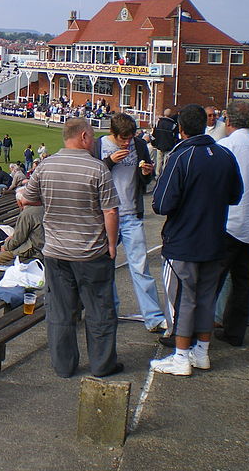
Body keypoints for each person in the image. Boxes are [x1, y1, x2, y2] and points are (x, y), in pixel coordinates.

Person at [24, 118, 122, 378]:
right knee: (99, 309)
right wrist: (112, 244)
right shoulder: (97, 169)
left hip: (56, 252)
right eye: (91, 136)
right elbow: (110, 211)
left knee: (60, 311)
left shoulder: (45, 166)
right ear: (84, 137)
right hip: (90, 252)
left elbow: (28, 197)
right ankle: (102, 365)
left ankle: (64, 366)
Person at [149, 104, 242, 376]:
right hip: (215, 238)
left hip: (184, 242)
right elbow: (235, 195)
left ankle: (180, 357)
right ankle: (201, 352)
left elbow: (162, 204)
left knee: (183, 301)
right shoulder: (224, 154)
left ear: (181, 129)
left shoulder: (182, 156)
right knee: (205, 299)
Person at [94, 112, 166, 333]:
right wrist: (109, 162)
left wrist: (147, 173)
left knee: (141, 266)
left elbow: (144, 181)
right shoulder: (99, 146)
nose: (127, 142)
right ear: (112, 133)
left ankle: (153, 317)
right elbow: (91, 177)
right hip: (106, 215)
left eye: (130, 138)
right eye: (122, 138)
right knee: (106, 267)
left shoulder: (139, 146)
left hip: (131, 213)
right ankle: (110, 312)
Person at [214, 102, 249, 347]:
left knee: (211, 281)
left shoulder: (225, 146)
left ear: (229, 121)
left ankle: (196, 333)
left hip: (229, 223)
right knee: (242, 280)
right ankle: (234, 332)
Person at [0, 187, 44, 266]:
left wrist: (5, 246)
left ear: (20, 202)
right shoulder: (42, 207)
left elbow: (17, 240)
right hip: (44, 246)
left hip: (36, 251)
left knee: (0, 257)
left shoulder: (27, 214)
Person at [151, 108, 179, 178]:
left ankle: (157, 175)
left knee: (159, 160)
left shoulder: (158, 122)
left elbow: (154, 134)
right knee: (166, 162)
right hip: (169, 146)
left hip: (159, 145)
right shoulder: (173, 125)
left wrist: (154, 143)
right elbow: (175, 137)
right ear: (171, 115)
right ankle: (164, 175)